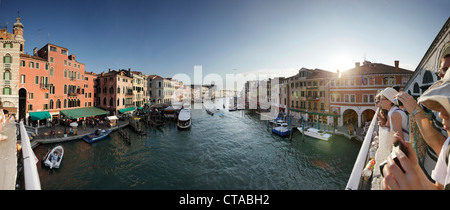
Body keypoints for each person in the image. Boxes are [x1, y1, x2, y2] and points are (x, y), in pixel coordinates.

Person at [382, 70, 450, 190]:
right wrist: (415, 167)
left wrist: (415, 110)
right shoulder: (448, 146)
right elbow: (439, 188)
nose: (441, 114)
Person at [395, 54, 450, 156]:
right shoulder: (441, 103)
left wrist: (415, 110)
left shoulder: (445, 109)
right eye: (441, 71)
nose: (440, 75)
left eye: (446, 70)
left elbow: (444, 150)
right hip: (431, 164)